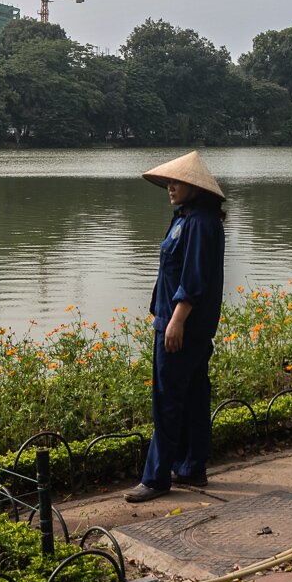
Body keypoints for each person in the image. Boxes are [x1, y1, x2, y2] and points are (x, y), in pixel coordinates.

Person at [125, 151, 226, 503]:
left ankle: (155, 479)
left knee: (167, 401)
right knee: (195, 397)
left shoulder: (199, 223)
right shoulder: (189, 218)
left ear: (194, 187)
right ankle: (191, 468)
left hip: (181, 327)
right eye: (169, 180)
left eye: (177, 181)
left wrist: (175, 322)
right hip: (185, 326)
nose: (170, 186)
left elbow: (193, 280)